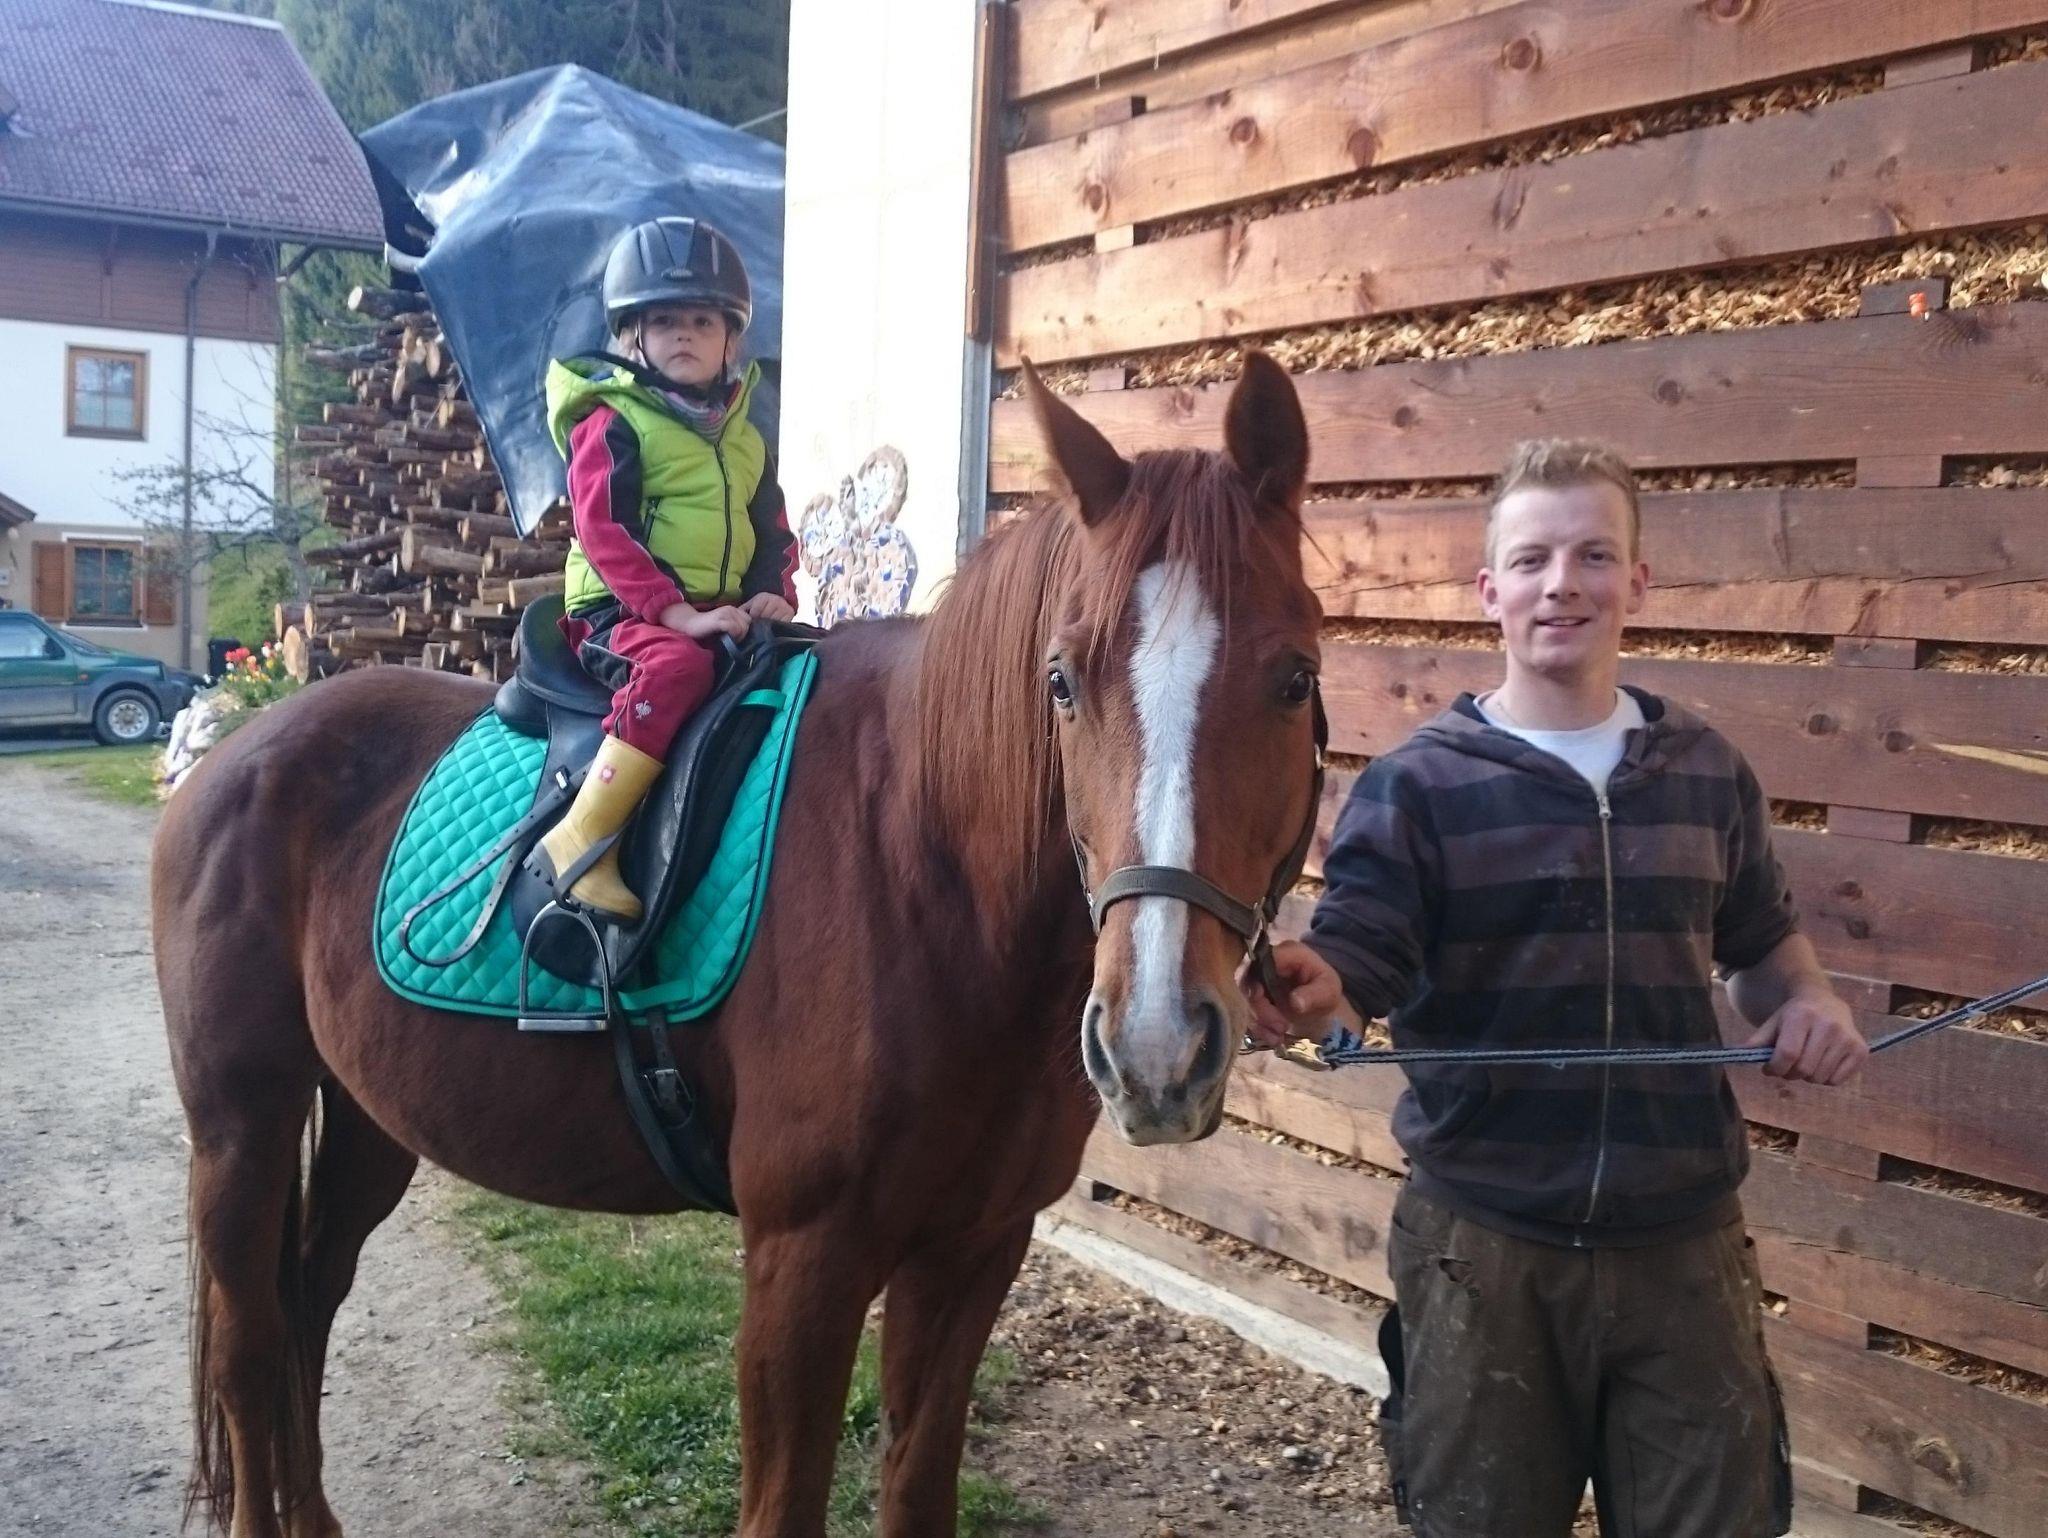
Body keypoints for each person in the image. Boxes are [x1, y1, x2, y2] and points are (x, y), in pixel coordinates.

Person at [1248, 439, 1868, 1538]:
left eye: (1594, 554)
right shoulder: (1416, 785)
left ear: (1638, 581)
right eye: (1531, 559)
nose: (1561, 583)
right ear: (1489, 589)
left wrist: (1808, 1004)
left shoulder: (1704, 769)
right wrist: (1315, 992)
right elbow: (1356, 967)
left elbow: (1762, 948)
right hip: (1484, 1251)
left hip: (1684, 1245)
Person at [527, 216, 798, 923]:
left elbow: (772, 531)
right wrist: (673, 612)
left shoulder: (745, 439)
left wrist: (772, 594)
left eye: (704, 321)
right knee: (676, 670)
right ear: (631, 338)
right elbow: (604, 531)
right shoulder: (612, 421)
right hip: (619, 613)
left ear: (731, 340)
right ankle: (582, 839)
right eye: (665, 321)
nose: (686, 335)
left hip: (718, 611)